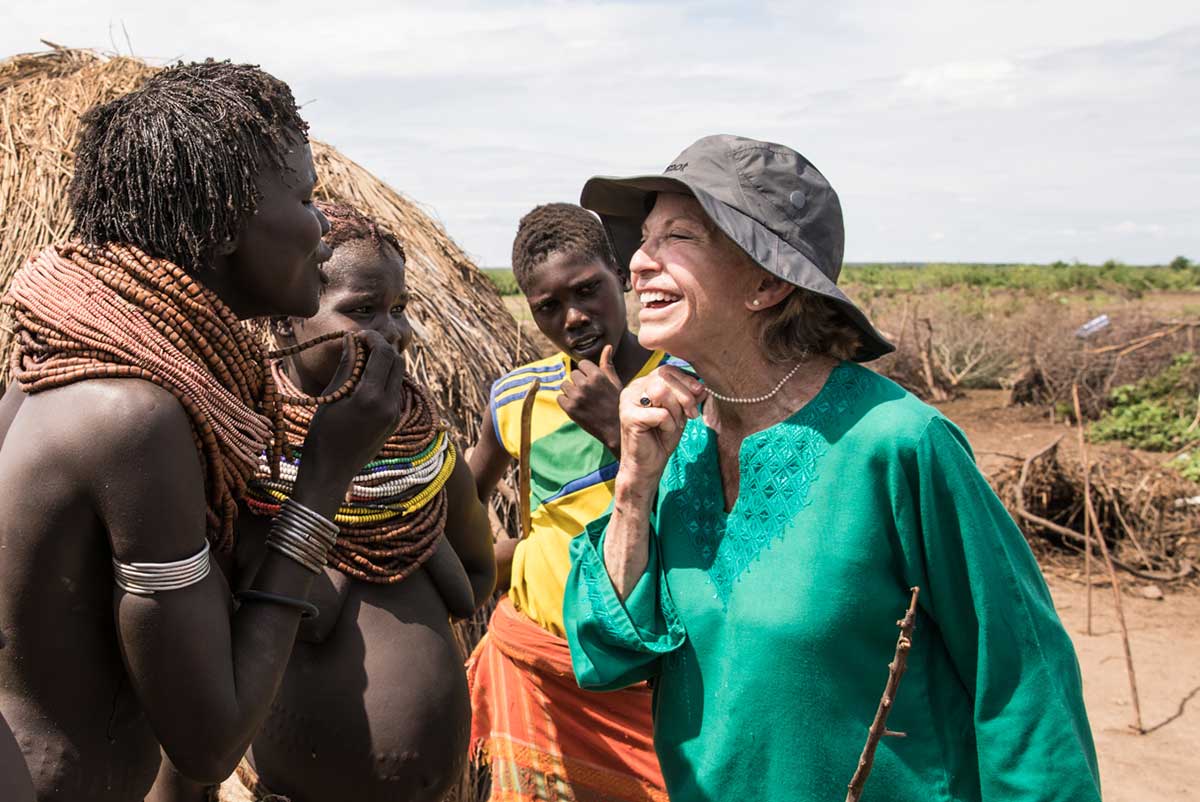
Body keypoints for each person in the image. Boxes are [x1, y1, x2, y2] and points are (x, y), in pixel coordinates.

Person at [563, 135, 1103, 802]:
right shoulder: (672, 440)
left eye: (678, 236)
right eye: (642, 240)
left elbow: (1023, 682)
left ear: (764, 281)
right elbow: (606, 654)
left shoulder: (899, 443)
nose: (638, 264)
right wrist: (634, 486)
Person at [0, 62, 406, 802]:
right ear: (222, 222)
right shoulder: (132, 419)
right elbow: (209, 742)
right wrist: (324, 476)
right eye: (308, 197)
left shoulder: (51, 370)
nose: (322, 229)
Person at [231, 201, 495, 801]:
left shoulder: (423, 446)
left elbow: (476, 575)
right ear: (284, 321)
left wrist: (410, 540)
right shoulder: (248, 457)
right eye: (363, 310)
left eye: (399, 308)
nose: (394, 330)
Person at [466, 203, 670, 801]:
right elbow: (461, 499)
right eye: (549, 307)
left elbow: (715, 519)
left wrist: (619, 430)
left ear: (622, 275)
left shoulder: (686, 386)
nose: (575, 317)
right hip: (536, 668)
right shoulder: (519, 399)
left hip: (651, 680)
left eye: (588, 290)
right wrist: (504, 559)